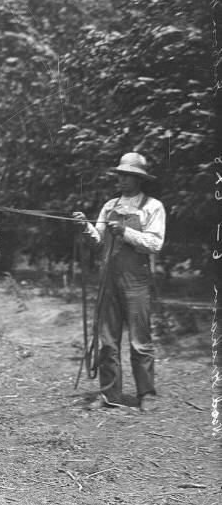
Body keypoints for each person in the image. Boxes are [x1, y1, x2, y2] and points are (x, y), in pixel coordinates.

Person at [73, 152, 166, 412]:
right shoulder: (109, 205)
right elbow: (98, 240)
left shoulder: (153, 206)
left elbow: (155, 243)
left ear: (139, 179)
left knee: (140, 341)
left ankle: (146, 393)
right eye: (120, 175)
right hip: (108, 280)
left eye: (127, 176)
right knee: (107, 341)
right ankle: (109, 394)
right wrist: (84, 226)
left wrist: (126, 232)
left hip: (136, 281)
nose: (122, 180)